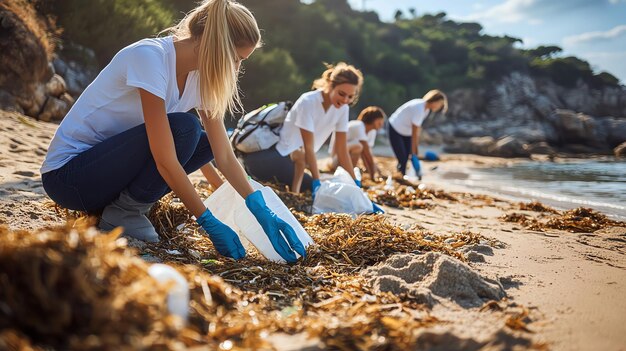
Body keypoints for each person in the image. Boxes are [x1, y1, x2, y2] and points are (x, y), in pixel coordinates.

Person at [40, 0, 305, 263]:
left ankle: (120, 207)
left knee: (207, 142)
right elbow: (165, 159)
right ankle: (126, 211)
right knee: (185, 128)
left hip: (107, 175)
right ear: (215, 44)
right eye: (235, 58)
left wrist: (260, 209)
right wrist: (208, 221)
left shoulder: (201, 78)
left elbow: (224, 154)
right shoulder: (149, 57)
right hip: (70, 179)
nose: (236, 69)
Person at [242, 63, 363, 196]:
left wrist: (355, 182)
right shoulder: (308, 102)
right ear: (330, 85)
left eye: (350, 97)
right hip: (278, 156)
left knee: (324, 185)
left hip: (299, 159)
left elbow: (341, 149)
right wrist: (316, 181)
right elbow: (308, 147)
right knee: (311, 186)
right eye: (341, 94)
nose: (345, 100)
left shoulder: (343, 108)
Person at [387, 90, 448, 176]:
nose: (439, 107)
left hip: (406, 132)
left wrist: (413, 152)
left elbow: (415, 131)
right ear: (435, 100)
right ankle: (401, 176)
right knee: (403, 157)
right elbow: (415, 132)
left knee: (407, 156)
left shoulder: (425, 110)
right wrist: (415, 152)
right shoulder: (419, 108)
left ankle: (401, 175)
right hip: (395, 128)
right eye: (440, 104)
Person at [328, 106, 386, 179]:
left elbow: (367, 155)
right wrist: (373, 173)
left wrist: (372, 172)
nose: (382, 124)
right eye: (380, 121)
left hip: (346, 160)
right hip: (335, 160)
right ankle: (350, 173)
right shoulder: (358, 126)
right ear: (373, 119)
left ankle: (351, 172)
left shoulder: (372, 131)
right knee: (358, 146)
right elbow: (367, 153)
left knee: (360, 147)